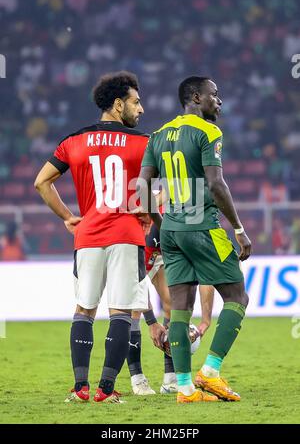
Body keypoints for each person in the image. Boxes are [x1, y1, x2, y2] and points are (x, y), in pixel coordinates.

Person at [34, 71, 164, 404]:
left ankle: (80, 388)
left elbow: (41, 183)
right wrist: (147, 214)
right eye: (136, 102)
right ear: (118, 104)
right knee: (121, 313)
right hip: (126, 235)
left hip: (88, 235)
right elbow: (150, 190)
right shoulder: (144, 143)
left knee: (84, 311)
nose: (142, 109)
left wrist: (67, 217)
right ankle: (107, 389)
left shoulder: (73, 141)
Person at [138, 76, 251, 404]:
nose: (219, 101)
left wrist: (161, 224)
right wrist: (239, 229)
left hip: (171, 231)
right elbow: (216, 184)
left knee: (180, 308)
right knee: (237, 296)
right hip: (202, 227)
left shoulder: (157, 136)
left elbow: (142, 186)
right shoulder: (208, 131)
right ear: (196, 97)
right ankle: (211, 372)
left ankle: (185, 388)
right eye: (215, 95)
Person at [127, 212, 215, 396]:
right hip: (142, 251)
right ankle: (137, 378)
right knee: (133, 308)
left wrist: (206, 320)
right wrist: (151, 322)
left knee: (174, 304)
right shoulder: (150, 233)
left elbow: (207, 277)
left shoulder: (196, 236)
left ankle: (171, 378)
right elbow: (137, 281)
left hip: (167, 252)